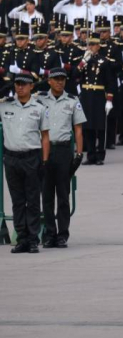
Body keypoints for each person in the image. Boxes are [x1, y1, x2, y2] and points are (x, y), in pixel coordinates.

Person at [36, 68, 86, 248]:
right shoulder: (39, 99)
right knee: (47, 194)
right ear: (49, 81)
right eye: (56, 79)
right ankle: (50, 234)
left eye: (62, 79)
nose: (59, 82)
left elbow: (78, 130)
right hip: (46, 150)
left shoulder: (72, 101)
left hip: (64, 150)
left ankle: (63, 234)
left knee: (63, 195)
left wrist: (79, 154)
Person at [0, 73, 50, 253]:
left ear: (31, 87)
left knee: (33, 200)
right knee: (18, 200)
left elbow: (45, 136)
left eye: (24, 84)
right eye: (17, 84)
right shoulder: (5, 105)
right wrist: (4, 88)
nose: (19, 87)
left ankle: (33, 239)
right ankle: (22, 238)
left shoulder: (39, 108)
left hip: (32, 157)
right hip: (12, 158)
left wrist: (44, 160)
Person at [78, 32, 116, 166]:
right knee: (88, 127)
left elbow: (111, 82)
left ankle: (100, 155)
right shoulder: (83, 60)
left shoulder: (104, 61)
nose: (91, 47)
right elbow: (75, 75)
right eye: (89, 44)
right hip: (86, 95)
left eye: (94, 44)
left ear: (98, 46)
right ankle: (91, 154)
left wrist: (109, 100)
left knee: (100, 127)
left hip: (99, 95)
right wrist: (83, 61)